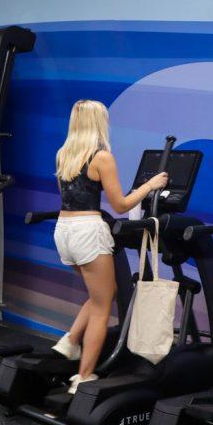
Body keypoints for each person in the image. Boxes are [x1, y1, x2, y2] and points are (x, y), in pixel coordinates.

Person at [50, 100, 169, 394]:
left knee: (99, 294)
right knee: (103, 305)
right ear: (98, 123)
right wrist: (151, 185)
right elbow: (120, 205)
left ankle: (70, 341)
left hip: (63, 230)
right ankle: (83, 377)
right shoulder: (102, 157)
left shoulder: (63, 154)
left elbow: (70, 196)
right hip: (88, 232)